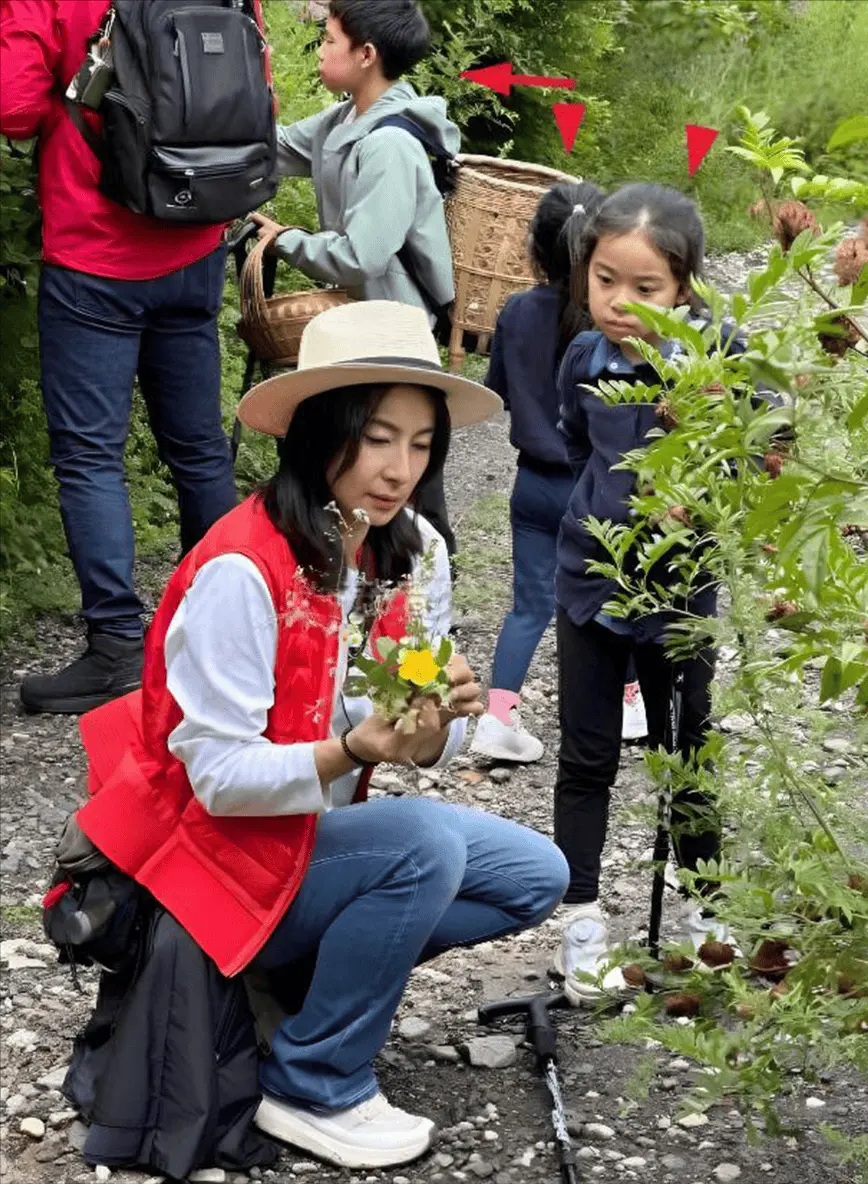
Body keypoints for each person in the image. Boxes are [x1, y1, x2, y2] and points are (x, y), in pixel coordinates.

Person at [71, 301, 570, 1170]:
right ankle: (314, 1079)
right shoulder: (242, 567)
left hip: (304, 841)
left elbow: (413, 742)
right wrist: (352, 752)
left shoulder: (411, 550)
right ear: (316, 432)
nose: (398, 469)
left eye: (420, 444)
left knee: (535, 876)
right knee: (418, 843)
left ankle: (299, 986)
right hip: (200, 858)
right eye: (376, 437)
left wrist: (432, 729)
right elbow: (217, 778)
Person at [0, 0, 249, 715]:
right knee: (199, 446)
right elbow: (246, 80)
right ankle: (227, 628)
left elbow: (14, 107)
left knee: (90, 456)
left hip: (95, 251)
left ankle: (116, 646)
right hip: (197, 234)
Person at [553, 184, 736, 1005]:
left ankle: (706, 917)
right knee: (587, 756)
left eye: (645, 288)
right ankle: (583, 925)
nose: (620, 303)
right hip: (590, 578)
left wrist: (701, 487)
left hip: (682, 589)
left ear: (686, 285)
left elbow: (760, 459)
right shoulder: (583, 359)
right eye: (604, 280)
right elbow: (571, 439)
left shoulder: (719, 359)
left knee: (688, 755)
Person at [249, 0, 458, 556]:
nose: (320, 50)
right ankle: (342, 586)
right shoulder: (345, 119)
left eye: (330, 40)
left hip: (397, 333)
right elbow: (277, 147)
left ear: (366, 55)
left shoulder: (390, 143)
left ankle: (423, 610)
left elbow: (361, 256)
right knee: (348, 464)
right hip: (362, 327)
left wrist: (283, 239)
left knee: (403, 475)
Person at [470, 181, 648, 764]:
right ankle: (626, 703)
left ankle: (498, 716)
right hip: (595, 488)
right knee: (613, 594)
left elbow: (497, 392)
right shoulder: (612, 333)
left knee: (529, 603)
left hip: (533, 485)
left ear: (533, 253)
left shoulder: (517, 310)